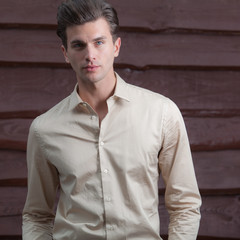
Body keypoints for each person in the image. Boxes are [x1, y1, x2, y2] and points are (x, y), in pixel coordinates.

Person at [22, 0, 201, 239]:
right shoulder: (44, 129)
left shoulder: (161, 113)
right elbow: (36, 215)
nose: (90, 55)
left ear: (116, 46)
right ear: (66, 53)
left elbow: (185, 205)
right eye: (78, 45)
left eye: (99, 42)